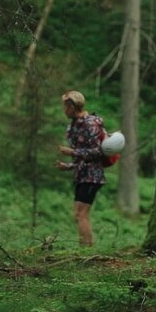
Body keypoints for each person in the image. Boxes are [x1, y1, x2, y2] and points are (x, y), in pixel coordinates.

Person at [56, 90, 106, 247]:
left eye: (65, 106)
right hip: (81, 174)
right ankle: (84, 249)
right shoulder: (73, 125)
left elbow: (97, 151)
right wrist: (68, 166)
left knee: (81, 214)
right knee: (78, 214)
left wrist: (72, 152)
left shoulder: (90, 124)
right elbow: (80, 156)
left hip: (92, 176)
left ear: (71, 106)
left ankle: (87, 250)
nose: (64, 110)